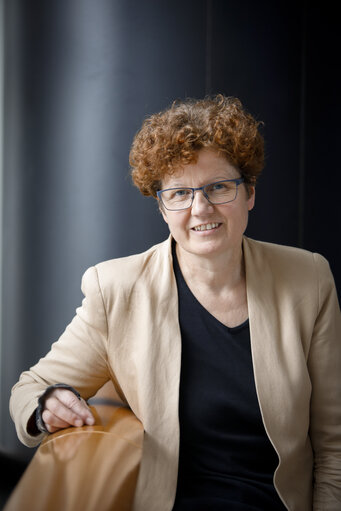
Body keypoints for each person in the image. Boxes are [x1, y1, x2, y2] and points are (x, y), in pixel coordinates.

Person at [10, 95, 341, 511]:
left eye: (219, 187)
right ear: (162, 208)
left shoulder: (308, 279)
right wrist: (47, 406)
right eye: (180, 193)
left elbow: (335, 447)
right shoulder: (117, 289)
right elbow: (29, 388)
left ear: (250, 193)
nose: (200, 208)